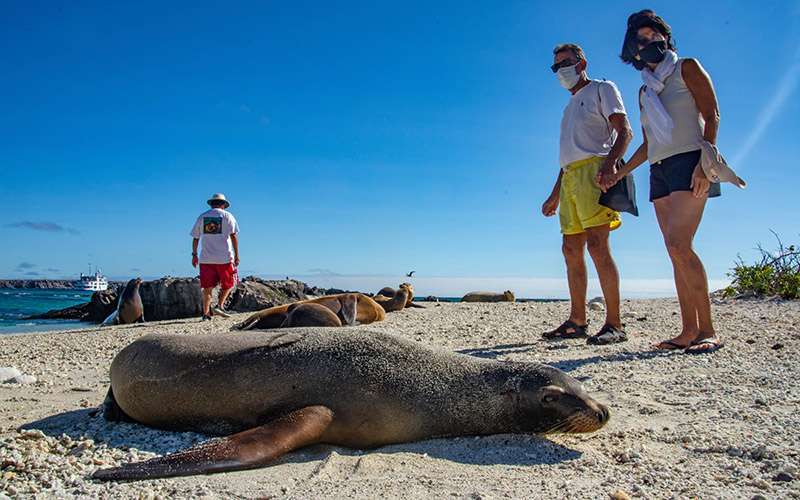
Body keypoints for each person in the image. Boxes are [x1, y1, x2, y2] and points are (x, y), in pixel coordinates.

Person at [612, 10, 722, 353]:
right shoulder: (645, 91)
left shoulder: (686, 67)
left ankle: (708, 331)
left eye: (654, 36)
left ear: (665, 37)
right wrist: (621, 171)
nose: (649, 44)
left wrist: (706, 163)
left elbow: (712, 114)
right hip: (658, 169)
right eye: (641, 41)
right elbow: (648, 143)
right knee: (673, 252)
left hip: (691, 161)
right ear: (633, 50)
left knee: (679, 244)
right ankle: (688, 331)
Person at [541, 43, 633, 344]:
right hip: (570, 178)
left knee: (598, 245)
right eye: (556, 66)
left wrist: (609, 167)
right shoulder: (569, 106)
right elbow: (567, 156)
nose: (560, 71)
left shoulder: (601, 89)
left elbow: (624, 130)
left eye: (565, 63)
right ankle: (577, 320)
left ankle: (615, 324)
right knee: (570, 249)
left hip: (594, 172)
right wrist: (554, 193)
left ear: (581, 63)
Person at [191, 193, 240, 321]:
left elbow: (196, 238)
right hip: (224, 257)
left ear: (212, 203)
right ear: (223, 205)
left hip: (206, 258)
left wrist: (194, 255)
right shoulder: (228, 216)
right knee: (229, 284)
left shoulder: (202, 217)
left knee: (207, 288)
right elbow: (234, 236)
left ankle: (206, 314)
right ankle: (220, 305)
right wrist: (237, 255)